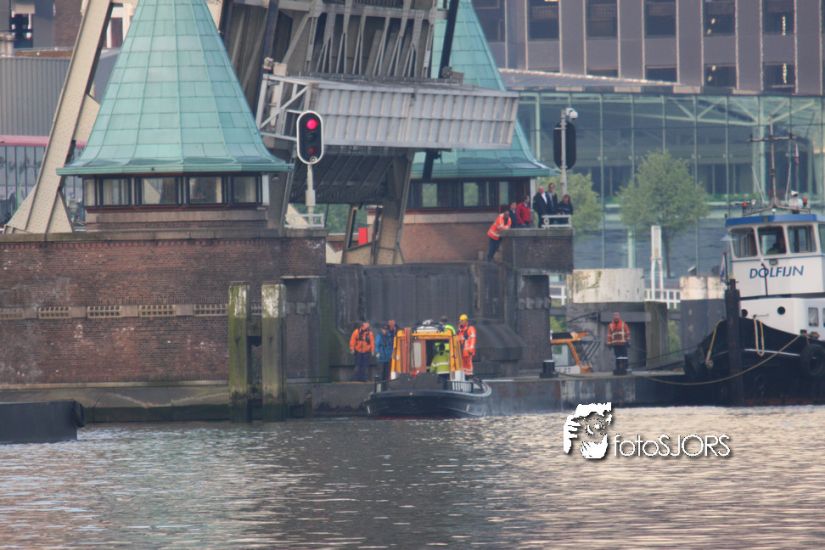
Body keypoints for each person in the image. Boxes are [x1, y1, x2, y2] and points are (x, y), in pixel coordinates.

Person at [457, 313, 477, 378]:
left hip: (468, 351)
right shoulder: (459, 330)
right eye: (460, 321)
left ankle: (470, 375)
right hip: (461, 351)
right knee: (463, 364)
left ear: (466, 321)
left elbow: (473, 338)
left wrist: (471, 348)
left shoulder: (470, 329)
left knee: (468, 363)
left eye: (462, 321)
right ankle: (465, 375)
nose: (460, 322)